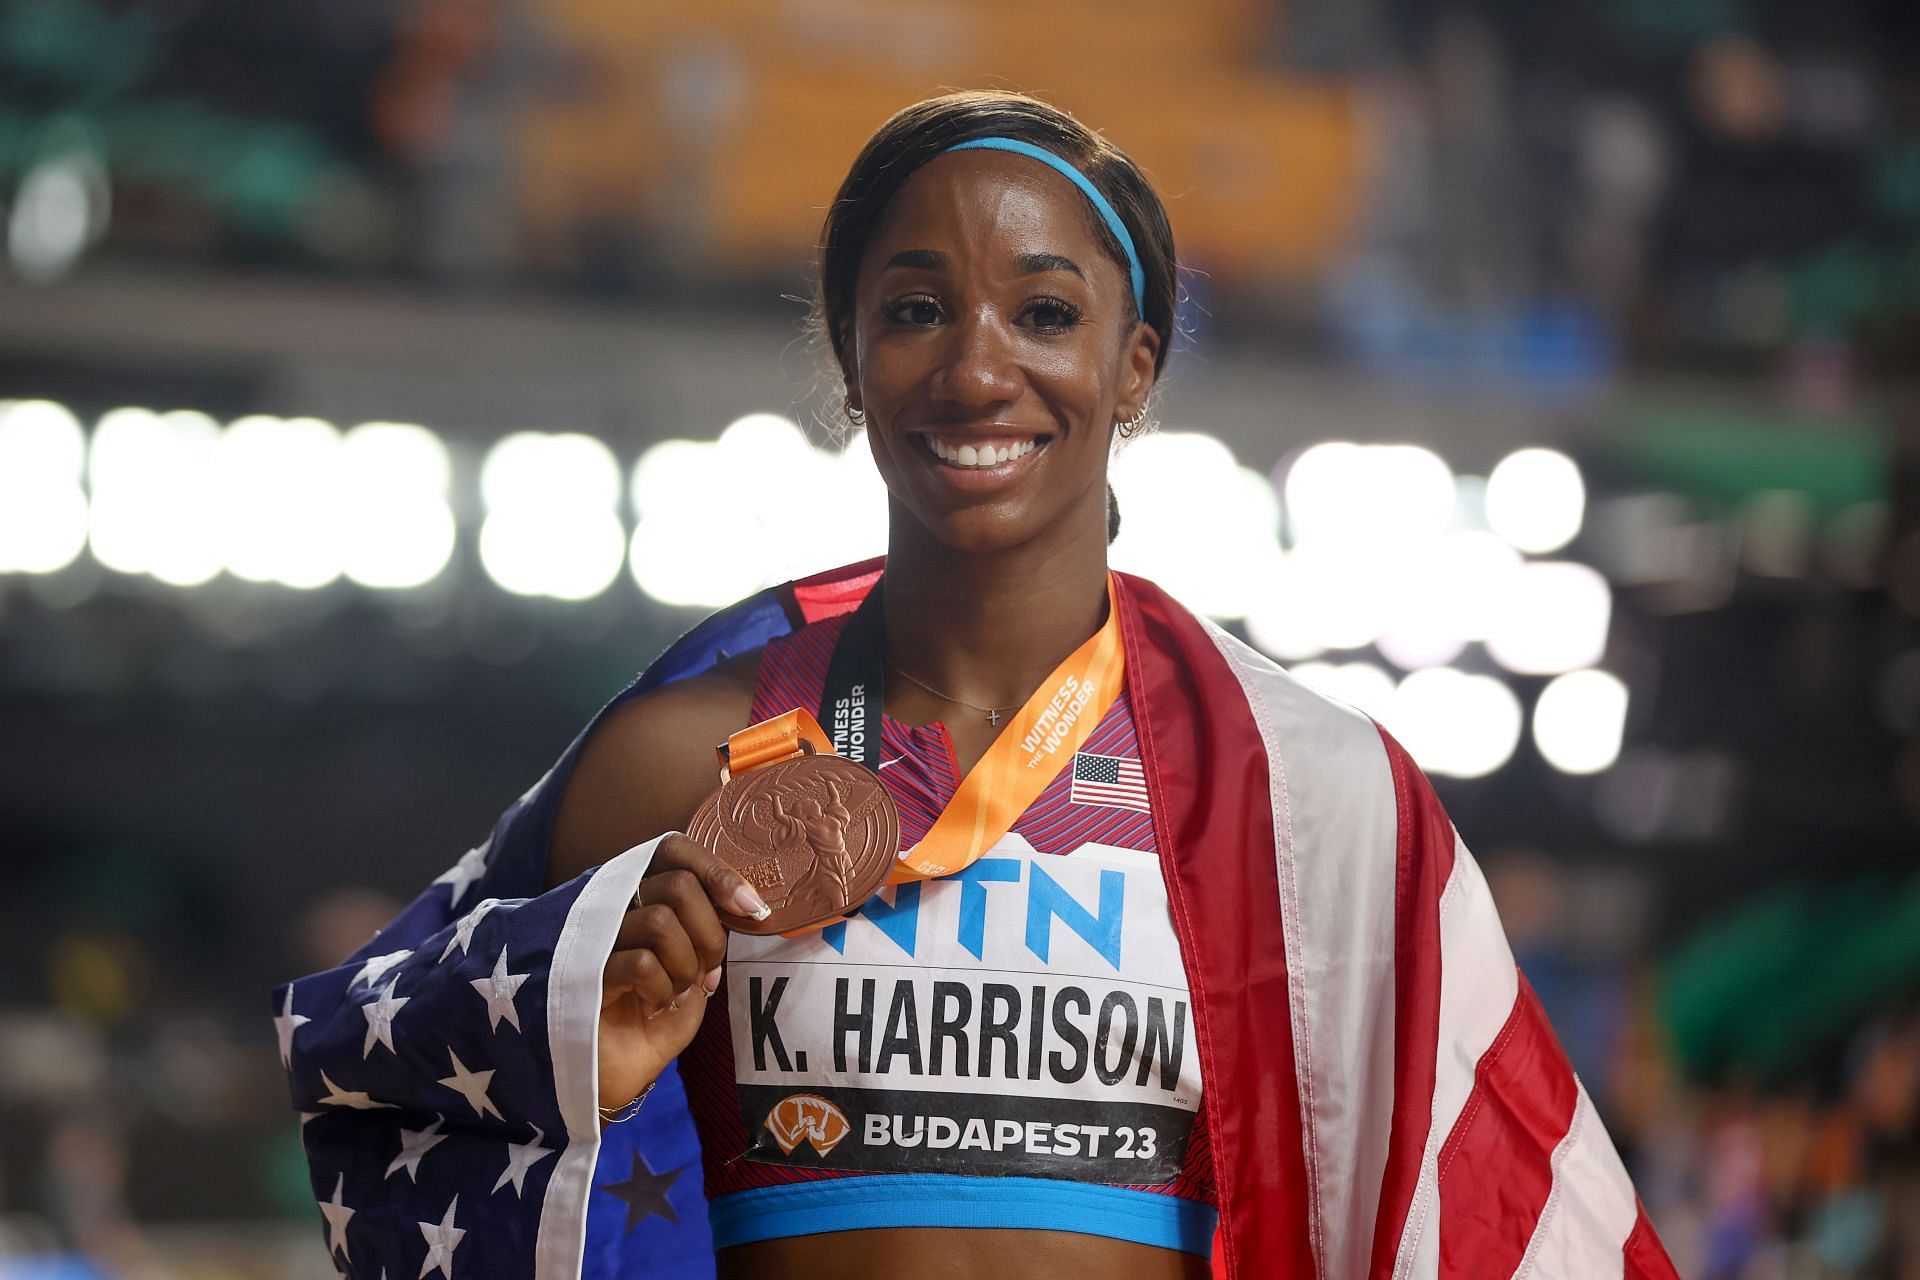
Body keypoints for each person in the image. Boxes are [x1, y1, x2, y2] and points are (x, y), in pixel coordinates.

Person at [274, 91, 1680, 1280]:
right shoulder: (678, 769)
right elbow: (388, 1104)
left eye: (1046, 310)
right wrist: (579, 1043)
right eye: (916, 310)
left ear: (1134, 369)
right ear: (853, 360)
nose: (978, 364)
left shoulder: (1312, 802)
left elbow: (1497, 1203)